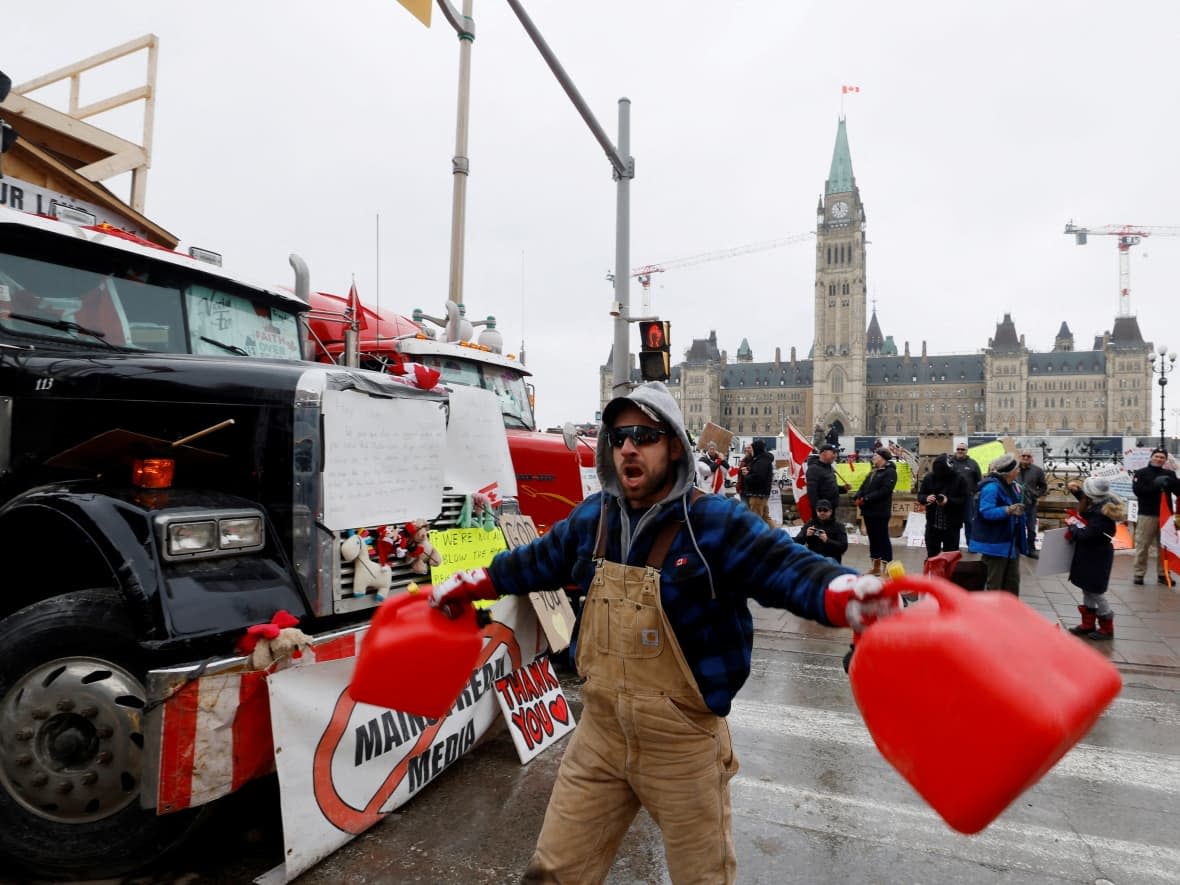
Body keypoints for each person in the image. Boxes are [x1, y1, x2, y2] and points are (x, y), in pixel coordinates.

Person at [426, 381, 897, 883]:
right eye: (619, 436)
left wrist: (843, 593)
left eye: (644, 435)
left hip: (684, 747)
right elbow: (533, 562)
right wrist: (473, 582)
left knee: (702, 879)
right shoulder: (594, 518)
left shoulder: (712, 521)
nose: (628, 446)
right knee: (554, 873)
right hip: (600, 738)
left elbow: (784, 568)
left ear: (673, 445)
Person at [1064, 476, 1126, 641]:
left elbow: (1087, 535)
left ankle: (1107, 627)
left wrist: (1072, 526)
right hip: (1092, 553)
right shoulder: (1103, 502)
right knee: (1087, 587)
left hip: (1096, 554)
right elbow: (1090, 501)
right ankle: (1088, 624)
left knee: (1096, 592)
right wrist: (1077, 491)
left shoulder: (1101, 515)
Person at [968, 453, 1027, 595]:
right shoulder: (991, 488)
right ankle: (992, 614)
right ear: (1009, 472)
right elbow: (986, 512)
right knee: (994, 585)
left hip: (1011, 542)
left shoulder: (1013, 486)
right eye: (1016, 468)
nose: (1019, 470)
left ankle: (1009, 613)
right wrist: (1008, 510)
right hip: (995, 544)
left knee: (1012, 584)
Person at [1131, 448, 1178, 584]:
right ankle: (1139, 574)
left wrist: (1173, 482)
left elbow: (1179, 491)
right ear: (1151, 457)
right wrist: (1155, 485)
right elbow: (1138, 492)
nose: (1159, 459)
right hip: (1147, 514)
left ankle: (1163, 573)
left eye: (1162, 457)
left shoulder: (1169, 473)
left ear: (1165, 460)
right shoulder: (1141, 473)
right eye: (1156, 456)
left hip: (1166, 516)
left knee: (1165, 546)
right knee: (1142, 546)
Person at [855, 447, 897, 576]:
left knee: (882, 538)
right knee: (873, 539)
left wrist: (866, 499)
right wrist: (857, 496)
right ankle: (876, 566)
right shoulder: (874, 471)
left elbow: (885, 490)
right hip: (868, 511)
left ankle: (887, 568)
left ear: (882, 457)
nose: (873, 457)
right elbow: (863, 486)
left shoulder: (890, 472)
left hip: (880, 511)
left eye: (875, 455)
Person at [916, 454, 968, 559]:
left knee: (950, 556)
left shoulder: (959, 479)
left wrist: (948, 501)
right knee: (932, 555)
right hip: (933, 524)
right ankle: (933, 575)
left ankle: (947, 576)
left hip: (952, 526)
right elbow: (920, 495)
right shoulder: (929, 478)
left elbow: (964, 499)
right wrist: (926, 498)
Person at [949, 442, 983, 543]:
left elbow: (979, 480)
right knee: (954, 521)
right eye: (958, 449)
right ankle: (953, 545)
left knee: (969, 521)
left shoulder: (973, 463)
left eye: (962, 449)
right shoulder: (950, 462)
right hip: (953, 498)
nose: (960, 451)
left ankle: (971, 544)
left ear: (967, 451)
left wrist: (974, 493)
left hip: (968, 498)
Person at [1017, 450, 1048, 558]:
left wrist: (1036, 494)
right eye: (1023, 455)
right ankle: (1017, 548)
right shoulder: (1014, 469)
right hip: (1016, 504)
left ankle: (1031, 549)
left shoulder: (1037, 471)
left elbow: (1043, 486)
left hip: (1031, 504)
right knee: (1016, 526)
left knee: (1031, 528)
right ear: (1019, 456)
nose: (1025, 457)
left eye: (1028, 456)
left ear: (1031, 458)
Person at [798, 499, 848, 563]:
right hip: (813, 557)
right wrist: (805, 535)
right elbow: (797, 541)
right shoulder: (810, 523)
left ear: (830, 512)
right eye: (819, 510)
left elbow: (843, 547)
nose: (822, 512)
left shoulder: (838, 526)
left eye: (825, 510)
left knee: (829, 560)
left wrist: (827, 540)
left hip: (831, 558)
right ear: (816, 511)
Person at [806, 443, 851, 514]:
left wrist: (843, 489)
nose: (835, 455)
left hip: (830, 508)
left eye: (836, 453)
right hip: (822, 511)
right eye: (833, 453)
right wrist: (819, 510)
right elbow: (812, 493)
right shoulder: (814, 469)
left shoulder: (829, 467)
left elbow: (829, 487)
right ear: (824, 453)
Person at [741, 438, 775, 528]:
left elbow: (758, 478)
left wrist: (747, 475)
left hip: (757, 494)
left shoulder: (761, 461)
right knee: (765, 518)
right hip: (761, 494)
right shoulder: (763, 459)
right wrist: (750, 471)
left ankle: (758, 539)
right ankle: (779, 537)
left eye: (752, 448)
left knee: (756, 520)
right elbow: (758, 474)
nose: (750, 451)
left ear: (756, 449)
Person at [734, 442, 754, 506]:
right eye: (746, 448)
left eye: (749, 448)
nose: (747, 450)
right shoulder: (743, 460)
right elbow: (739, 475)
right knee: (744, 510)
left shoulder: (756, 460)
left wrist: (748, 470)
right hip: (743, 490)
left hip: (752, 491)